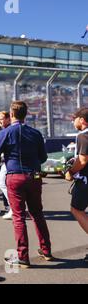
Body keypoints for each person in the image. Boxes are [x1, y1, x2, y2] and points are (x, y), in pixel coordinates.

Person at [0, 101, 51, 268]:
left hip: (15, 176)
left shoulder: (6, 133)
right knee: (37, 213)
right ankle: (46, 250)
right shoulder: (36, 133)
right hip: (34, 175)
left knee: (18, 217)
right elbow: (43, 158)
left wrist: (6, 158)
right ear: (26, 114)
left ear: (11, 114)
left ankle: (23, 256)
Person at [64, 107, 88, 263]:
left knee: (76, 209)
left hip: (85, 181)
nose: (73, 122)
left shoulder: (83, 135)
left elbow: (83, 160)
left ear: (82, 120)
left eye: (74, 119)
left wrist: (70, 172)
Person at [0, 111, 12, 220]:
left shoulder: (6, 131)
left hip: (9, 162)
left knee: (2, 183)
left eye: (2, 118)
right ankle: (15, 207)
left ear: (8, 118)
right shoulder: (3, 131)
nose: (0, 121)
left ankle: (14, 208)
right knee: (2, 183)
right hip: (7, 161)